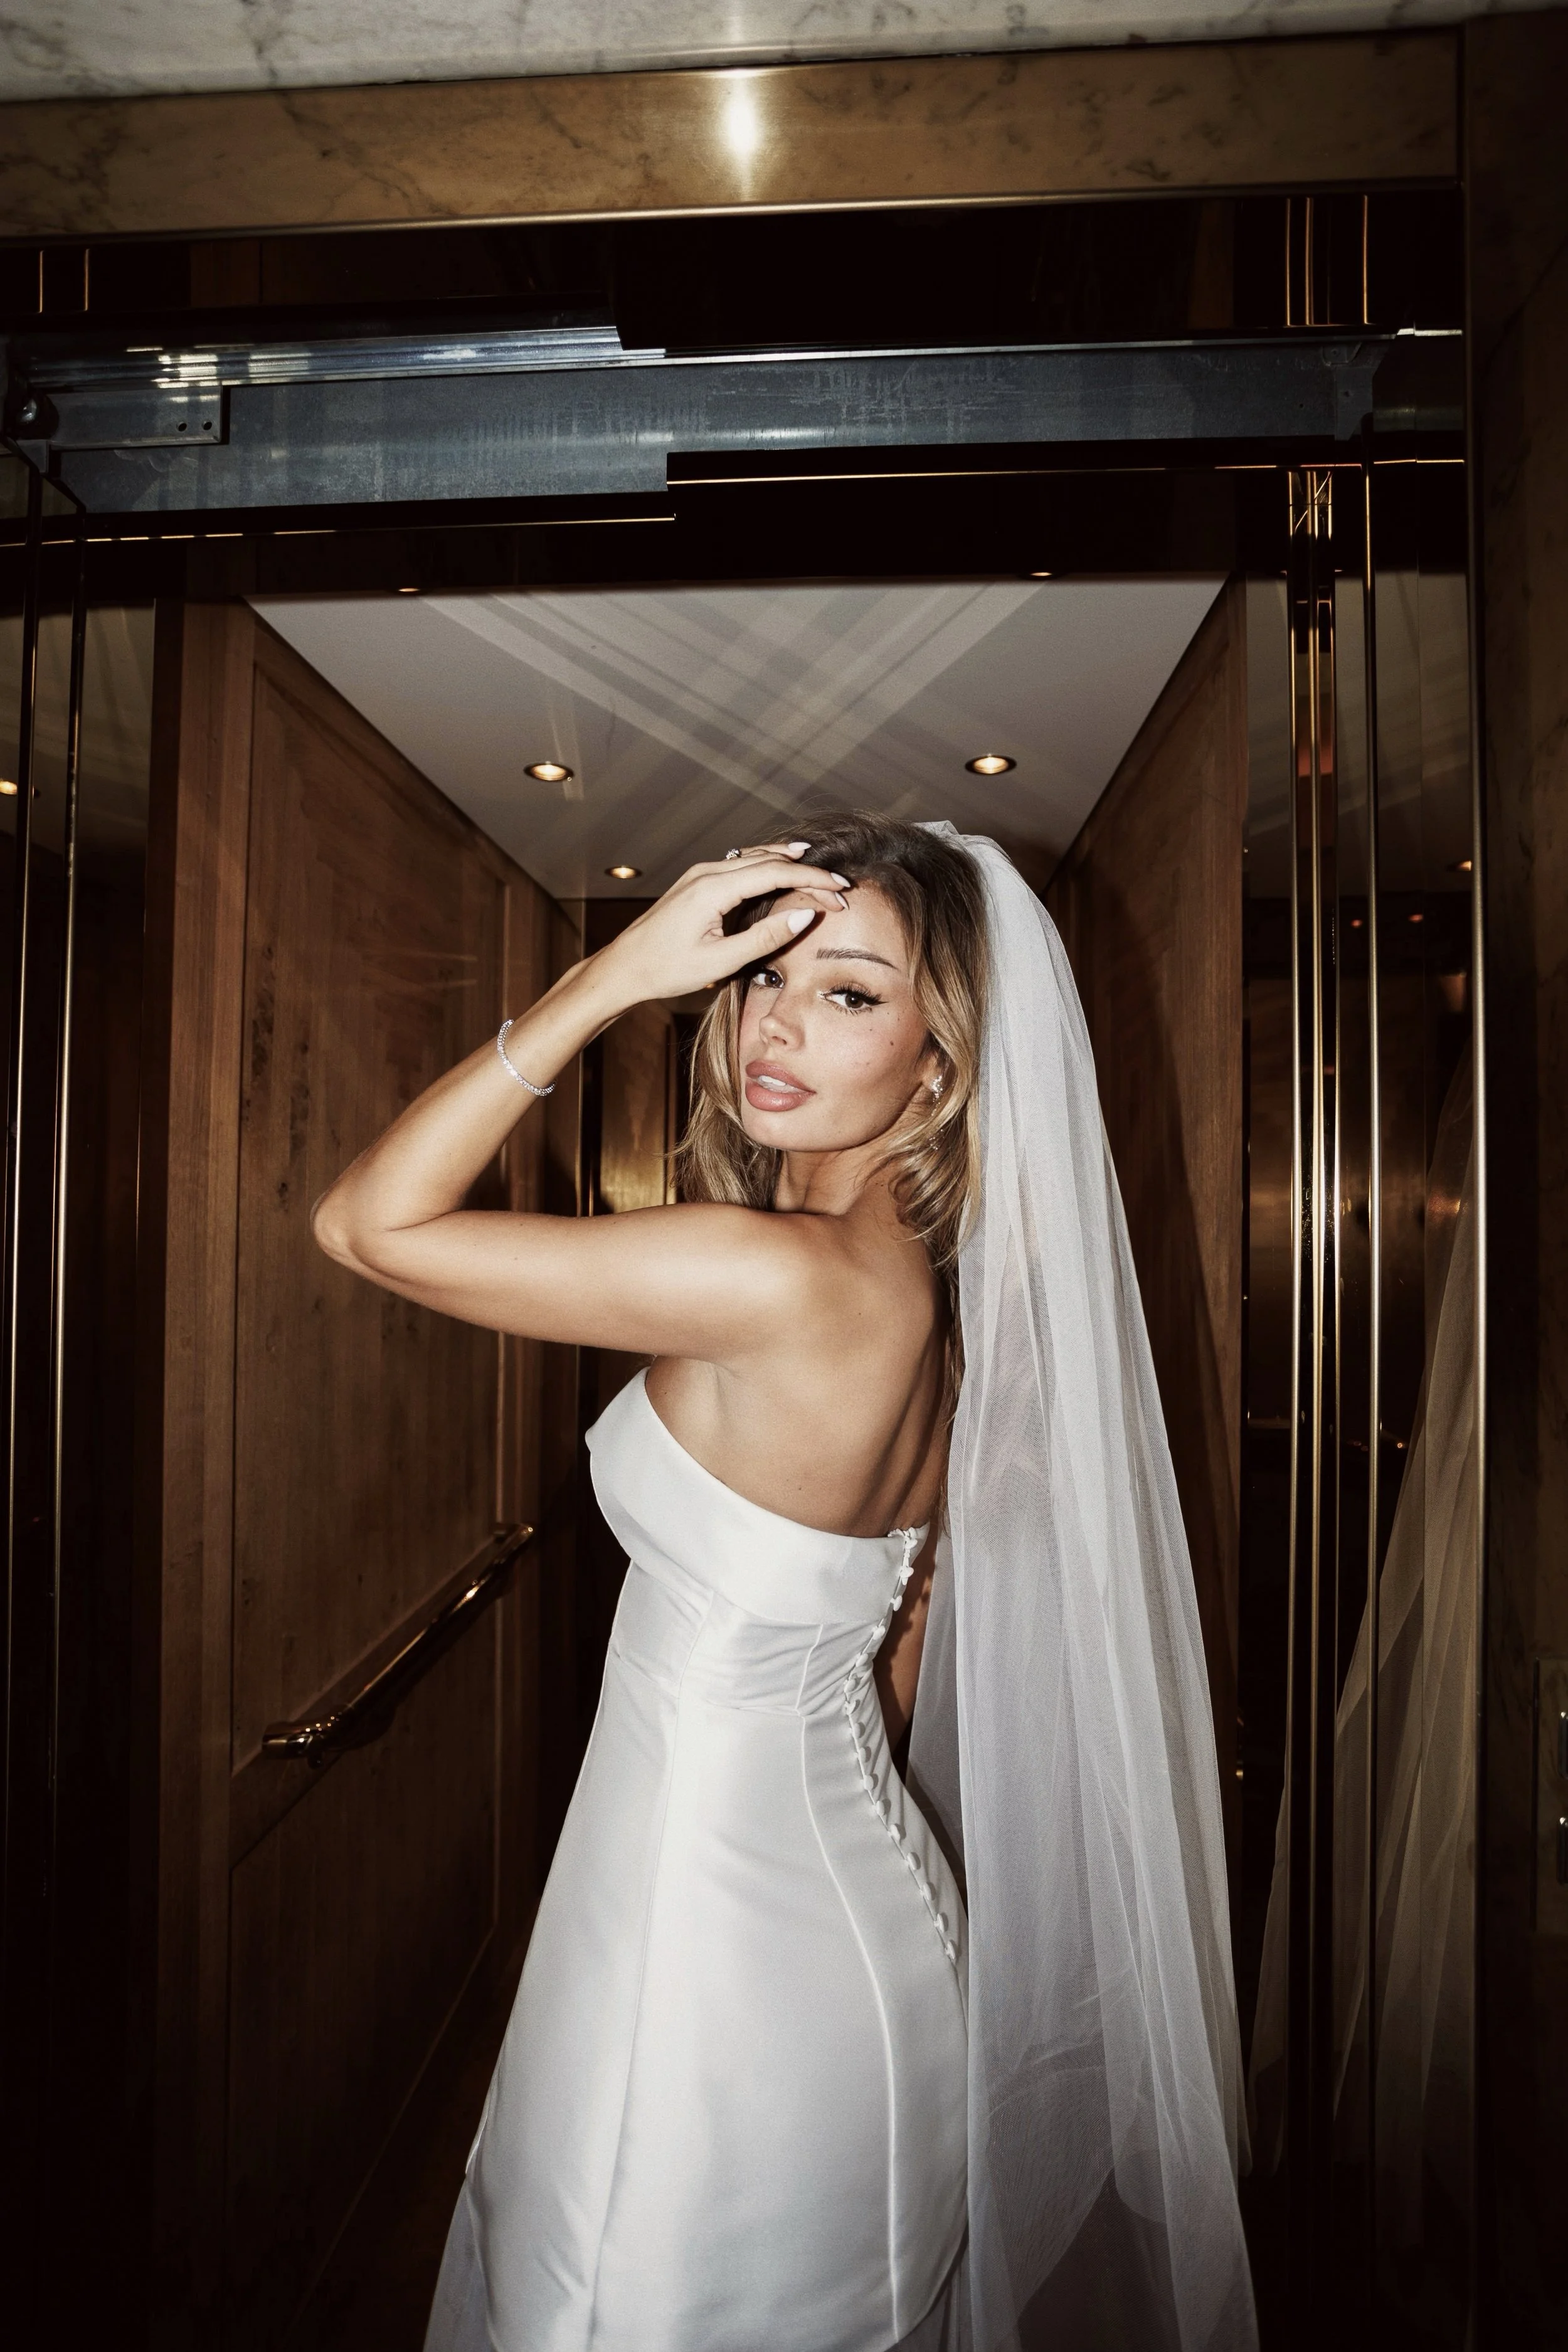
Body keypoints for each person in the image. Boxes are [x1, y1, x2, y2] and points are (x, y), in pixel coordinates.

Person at [312, 813, 1256, 2352]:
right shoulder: (910, 1306)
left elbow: (363, 1223)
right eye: (763, 977)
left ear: (939, 1062)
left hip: (715, 1953)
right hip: (845, 1909)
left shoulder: (774, 1280)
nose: (772, 1020)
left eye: (851, 995)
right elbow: (902, 1639)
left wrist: (610, 978)